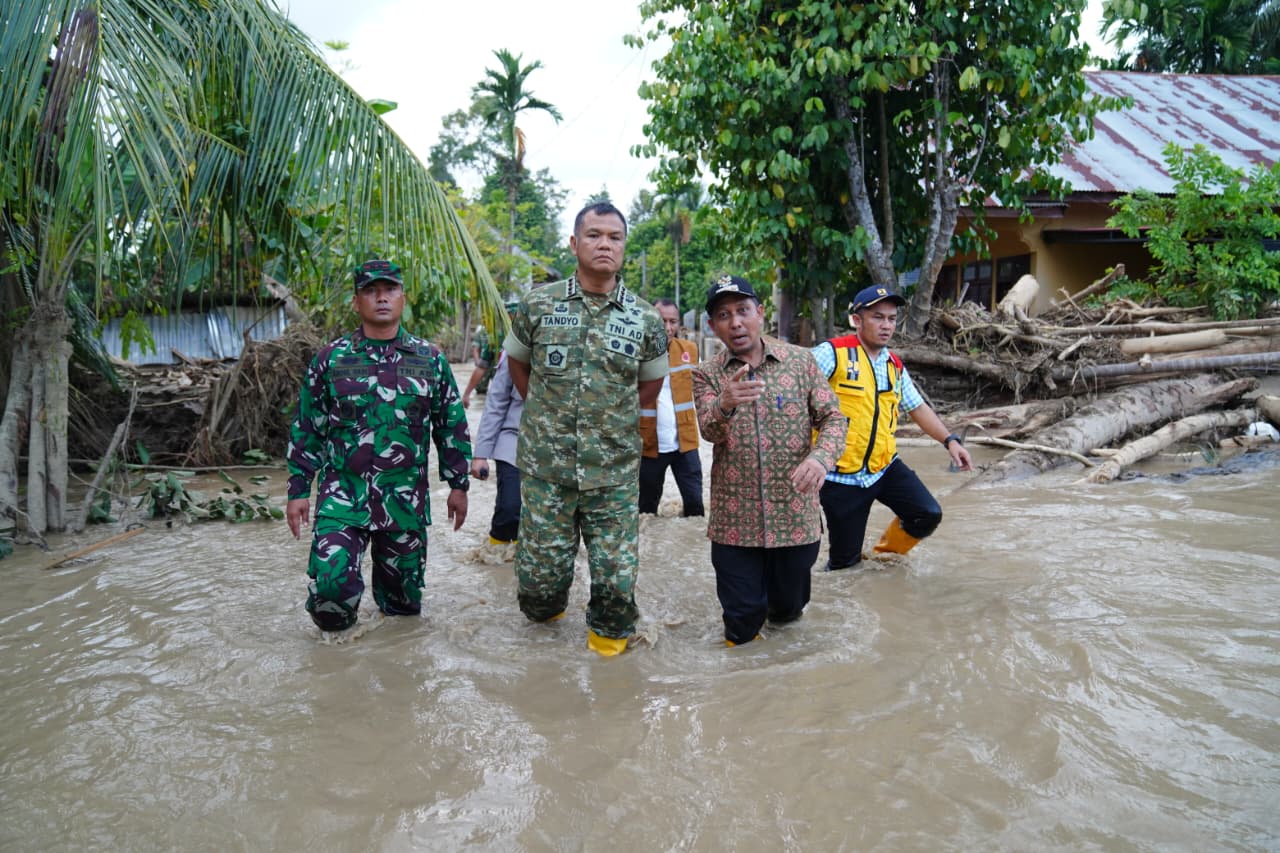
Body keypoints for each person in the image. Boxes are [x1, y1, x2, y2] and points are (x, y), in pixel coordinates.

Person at [503, 202, 668, 656]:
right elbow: (519, 366)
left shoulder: (645, 318)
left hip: (613, 471)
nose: (604, 244)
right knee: (539, 586)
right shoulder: (538, 304)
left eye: (614, 237)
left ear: (624, 247)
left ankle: (609, 660)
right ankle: (546, 639)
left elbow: (649, 386)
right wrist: (548, 414)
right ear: (574, 243)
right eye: (594, 235)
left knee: (617, 583)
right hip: (547, 469)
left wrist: (607, 421)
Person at [285, 259, 472, 631]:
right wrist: (298, 489)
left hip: (404, 501)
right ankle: (338, 658)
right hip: (343, 496)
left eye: (389, 290)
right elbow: (308, 427)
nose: (381, 298)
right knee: (331, 592)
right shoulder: (331, 360)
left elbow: (450, 425)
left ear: (403, 298)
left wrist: (459, 485)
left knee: (402, 615)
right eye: (370, 291)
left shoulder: (430, 360)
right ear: (357, 302)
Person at [692, 275, 847, 647]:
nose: (736, 322)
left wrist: (821, 459)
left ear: (760, 313)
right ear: (713, 325)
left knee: (787, 613)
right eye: (724, 315)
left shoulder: (801, 362)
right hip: (734, 524)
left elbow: (833, 419)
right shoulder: (705, 374)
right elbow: (709, 432)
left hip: (794, 517)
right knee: (741, 624)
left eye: (743, 311)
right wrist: (724, 403)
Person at [812, 285, 974, 572]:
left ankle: (883, 557)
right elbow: (791, 389)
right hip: (840, 477)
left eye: (891, 318)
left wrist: (950, 441)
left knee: (927, 513)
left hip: (884, 467)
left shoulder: (893, 365)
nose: (886, 325)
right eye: (878, 317)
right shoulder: (832, 354)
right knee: (844, 567)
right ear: (857, 320)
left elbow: (917, 407)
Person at [638, 298, 704, 517]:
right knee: (646, 510)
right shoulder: (637, 353)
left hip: (685, 442)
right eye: (662, 320)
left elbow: (702, 389)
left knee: (695, 508)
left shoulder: (689, 350)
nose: (667, 327)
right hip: (649, 444)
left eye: (672, 321)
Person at [470, 351, 524, 546]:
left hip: (558, 448)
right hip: (514, 441)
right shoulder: (516, 349)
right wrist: (481, 454)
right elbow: (496, 402)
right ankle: (496, 556)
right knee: (510, 509)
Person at [460, 322, 496, 408]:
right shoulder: (482, 332)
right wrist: (477, 361)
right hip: (485, 362)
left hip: (496, 365)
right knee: (480, 390)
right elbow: (475, 348)